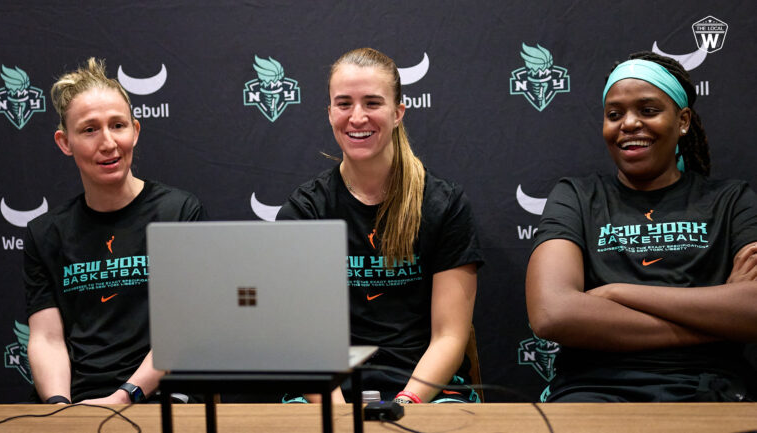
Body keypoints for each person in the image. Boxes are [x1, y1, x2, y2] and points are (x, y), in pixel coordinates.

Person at [526, 51, 757, 402]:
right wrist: (716, 322)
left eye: (648, 110)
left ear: (682, 121)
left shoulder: (731, 200)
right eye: (614, 114)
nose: (629, 124)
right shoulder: (577, 196)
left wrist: (619, 293)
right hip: (591, 391)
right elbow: (551, 314)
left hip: (710, 389)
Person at [277, 48, 483, 404]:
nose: (357, 117)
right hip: (329, 393)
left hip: (425, 389)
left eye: (372, 103)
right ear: (329, 114)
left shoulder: (443, 204)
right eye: (344, 104)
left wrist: (405, 405)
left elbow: (450, 336)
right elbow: (296, 340)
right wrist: (340, 416)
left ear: (398, 112)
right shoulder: (306, 209)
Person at [24, 58, 206, 404]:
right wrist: (59, 408)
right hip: (78, 401)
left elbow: (184, 329)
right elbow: (46, 338)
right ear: (65, 142)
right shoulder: (44, 233)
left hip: (160, 396)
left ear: (135, 130)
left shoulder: (179, 212)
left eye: (117, 125)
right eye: (90, 129)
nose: (108, 143)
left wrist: (124, 397)